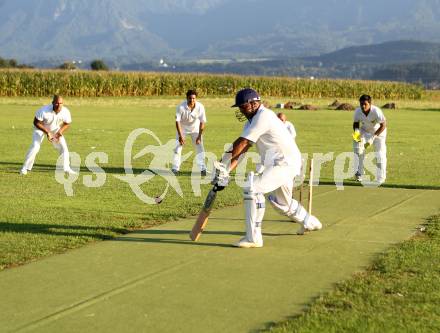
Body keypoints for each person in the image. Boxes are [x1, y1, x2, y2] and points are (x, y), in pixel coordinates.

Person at [213, 88, 322, 248]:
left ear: (253, 104)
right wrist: (225, 169)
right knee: (282, 203)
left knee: (253, 189)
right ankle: (310, 222)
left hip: (285, 163)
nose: (241, 110)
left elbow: (242, 143)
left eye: (242, 106)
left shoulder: (264, 116)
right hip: (281, 163)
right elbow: (242, 148)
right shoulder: (251, 122)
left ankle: (253, 238)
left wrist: (224, 169)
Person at [20, 95, 76, 175]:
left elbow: (67, 123)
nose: (59, 105)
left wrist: (60, 132)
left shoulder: (65, 111)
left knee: (64, 147)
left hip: (55, 129)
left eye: (60, 103)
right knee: (35, 146)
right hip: (40, 129)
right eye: (57, 103)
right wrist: (48, 133)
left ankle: (66, 168)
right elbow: (36, 122)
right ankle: (24, 168)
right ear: (53, 103)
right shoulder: (43, 110)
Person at [352, 94, 387, 184]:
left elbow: (383, 125)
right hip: (365, 130)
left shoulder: (376, 111)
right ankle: (359, 173)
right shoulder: (357, 111)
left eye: (365, 104)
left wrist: (373, 138)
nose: (363, 106)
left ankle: (380, 178)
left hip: (379, 132)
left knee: (379, 154)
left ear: (370, 104)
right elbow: (356, 124)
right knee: (357, 149)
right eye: (361, 104)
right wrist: (356, 135)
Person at [172, 89, 207, 175]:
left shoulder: (200, 107)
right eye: (190, 98)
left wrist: (199, 136)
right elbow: (177, 122)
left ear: (196, 98)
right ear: (187, 98)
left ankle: (202, 169)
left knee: (200, 148)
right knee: (177, 148)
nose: (192, 100)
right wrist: (180, 136)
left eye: (194, 98)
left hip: (195, 129)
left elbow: (202, 122)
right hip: (182, 129)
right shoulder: (180, 107)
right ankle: (175, 168)